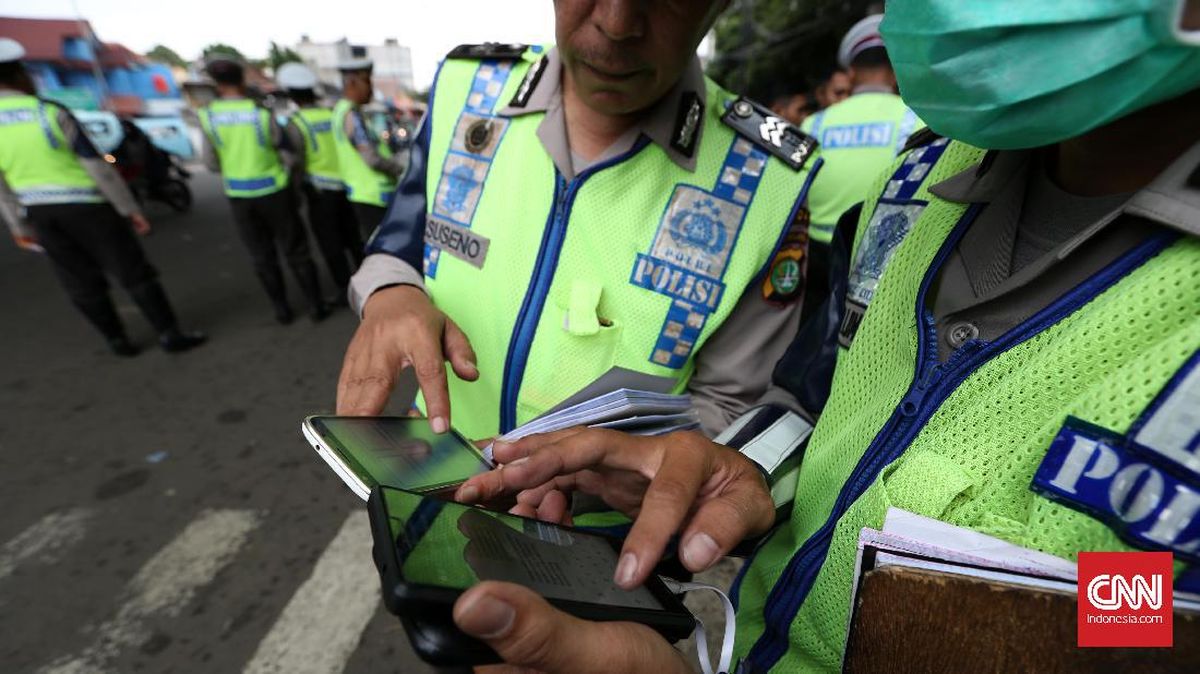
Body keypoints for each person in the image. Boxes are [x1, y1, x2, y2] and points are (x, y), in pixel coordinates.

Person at [446, 0, 1200, 671]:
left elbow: (1150, 623)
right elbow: (816, 393)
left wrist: (1030, 608)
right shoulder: (918, 179)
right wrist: (737, 471)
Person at [337, 0, 824, 444]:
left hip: (598, 533)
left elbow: (730, 405)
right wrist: (391, 295)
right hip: (421, 486)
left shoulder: (764, 180)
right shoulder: (468, 89)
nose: (616, 25)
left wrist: (606, 470)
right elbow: (399, 243)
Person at [0, 38, 205, 356]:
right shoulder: (49, 113)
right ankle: (169, 334)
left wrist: (18, 227)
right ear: (19, 75)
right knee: (133, 272)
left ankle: (117, 341)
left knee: (79, 282)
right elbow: (98, 168)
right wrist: (129, 209)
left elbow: (2, 187)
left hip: (41, 213)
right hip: (88, 208)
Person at [199, 53, 330, 324]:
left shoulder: (208, 117)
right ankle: (316, 306)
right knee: (296, 250)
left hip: (240, 196)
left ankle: (282, 310)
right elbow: (288, 155)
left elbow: (210, 163)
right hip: (275, 191)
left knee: (261, 256)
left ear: (217, 83)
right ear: (242, 79)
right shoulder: (259, 113)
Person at [800, 13, 920, 247]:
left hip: (819, 258)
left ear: (851, 73)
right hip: (888, 253)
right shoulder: (918, 120)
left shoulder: (813, 124)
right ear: (896, 73)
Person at [277, 62, 364, 301]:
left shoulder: (297, 123)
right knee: (354, 238)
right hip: (346, 186)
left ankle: (345, 290)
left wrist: (294, 193)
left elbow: (296, 162)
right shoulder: (331, 114)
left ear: (291, 94)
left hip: (320, 191)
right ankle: (368, 283)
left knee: (331, 244)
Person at [331, 58, 404, 238]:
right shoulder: (352, 114)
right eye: (367, 82)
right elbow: (371, 158)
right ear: (353, 83)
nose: (371, 88)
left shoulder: (339, 111)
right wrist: (401, 168)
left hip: (361, 192)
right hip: (374, 195)